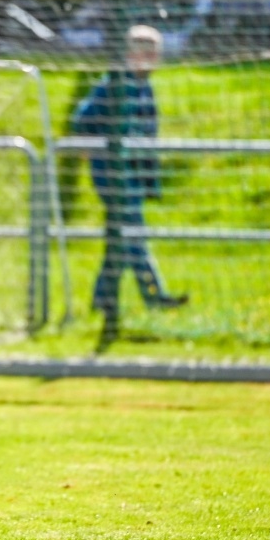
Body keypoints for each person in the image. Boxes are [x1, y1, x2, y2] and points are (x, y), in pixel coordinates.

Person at [69, 24, 188, 347]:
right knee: (134, 238)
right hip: (114, 175)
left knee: (120, 243)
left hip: (132, 175)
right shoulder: (114, 85)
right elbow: (83, 118)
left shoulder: (144, 87)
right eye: (144, 52)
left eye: (154, 54)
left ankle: (101, 298)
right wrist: (87, 144)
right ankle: (155, 296)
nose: (150, 59)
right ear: (129, 53)